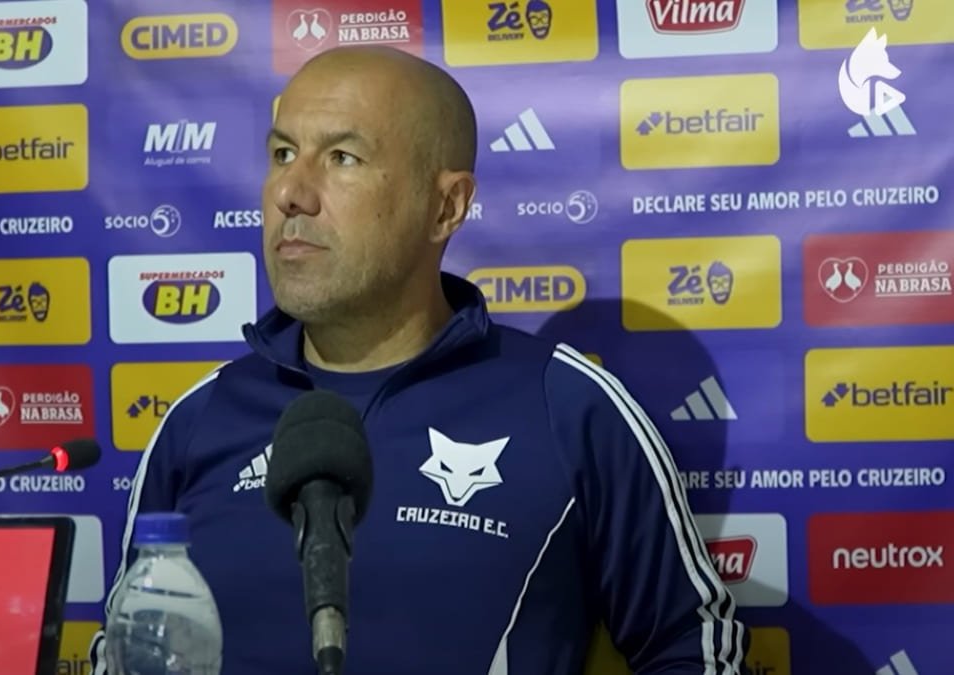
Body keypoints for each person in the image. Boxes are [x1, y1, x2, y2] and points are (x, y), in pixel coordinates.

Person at [92, 45, 750, 674]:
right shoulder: (199, 418)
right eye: (283, 153)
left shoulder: (569, 408)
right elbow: (120, 654)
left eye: (343, 158)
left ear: (446, 206)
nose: (291, 192)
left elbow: (695, 650)